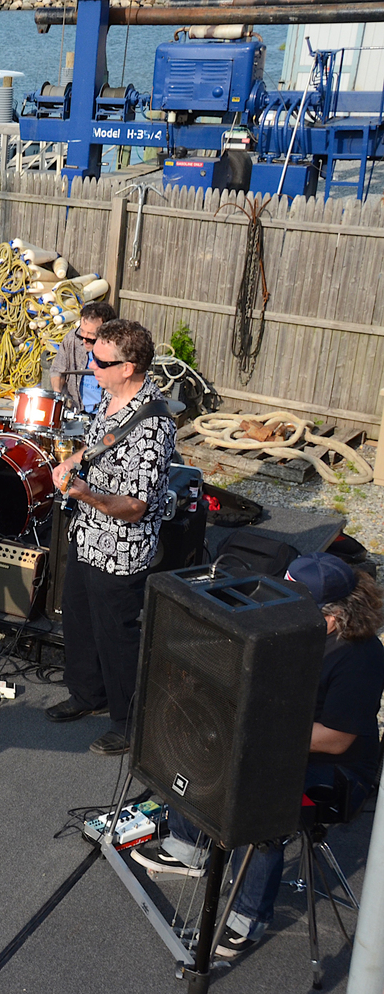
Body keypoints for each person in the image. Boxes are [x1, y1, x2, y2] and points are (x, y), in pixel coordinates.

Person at [131, 553, 384, 960]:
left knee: (260, 794)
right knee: (193, 737)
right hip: (273, 735)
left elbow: (336, 740)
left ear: (332, 616)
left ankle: (248, 917)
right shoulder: (291, 631)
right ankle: (188, 845)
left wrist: (257, 737)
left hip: (332, 769)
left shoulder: (360, 657)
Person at [46, 319, 177, 756]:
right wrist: (74, 462)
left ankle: (127, 722)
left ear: (129, 366)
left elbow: (135, 505)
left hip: (120, 548)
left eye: (101, 361)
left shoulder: (155, 426)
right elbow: (100, 440)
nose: (91, 364)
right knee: (79, 620)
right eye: (93, 355)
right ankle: (88, 696)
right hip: (87, 534)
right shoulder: (111, 395)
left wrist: (84, 492)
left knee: (117, 636)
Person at [49, 300, 116, 414]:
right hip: (75, 411)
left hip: (106, 414)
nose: (84, 339)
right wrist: (58, 394)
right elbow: (57, 370)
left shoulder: (119, 349)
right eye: (82, 332)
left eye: (91, 334)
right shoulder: (72, 339)